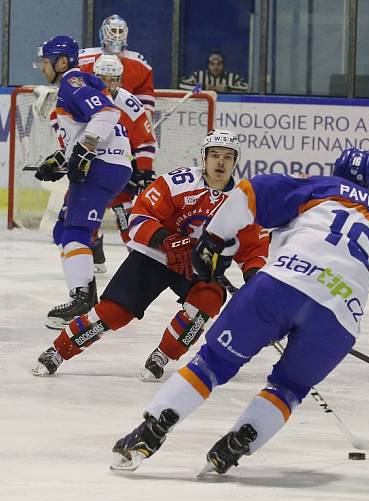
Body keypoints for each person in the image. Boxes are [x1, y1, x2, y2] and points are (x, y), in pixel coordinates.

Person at [109, 147, 369, 474]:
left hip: (281, 286)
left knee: (213, 362)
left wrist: (214, 239)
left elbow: (247, 193)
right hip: (340, 322)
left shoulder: (320, 186)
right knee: (289, 388)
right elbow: (363, 283)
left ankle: (150, 432)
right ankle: (235, 446)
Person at [32, 130, 269, 380]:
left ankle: (162, 355)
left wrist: (255, 281)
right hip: (154, 256)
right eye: (215, 155)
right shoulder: (179, 182)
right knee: (114, 312)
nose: (220, 162)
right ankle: (58, 350)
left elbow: (253, 248)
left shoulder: (243, 200)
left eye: (228, 157)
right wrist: (166, 240)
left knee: (208, 299)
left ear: (235, 161)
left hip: (198, 266)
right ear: (204, 158)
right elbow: (139, 217)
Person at [33, 35, 132, 329]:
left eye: (47, 62)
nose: (42, 68)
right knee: (64, 229)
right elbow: (80, 138)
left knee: (75, 230)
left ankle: (82, 300)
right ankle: (85, 293)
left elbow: (107, 113)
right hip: (105, 166)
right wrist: (59, 162)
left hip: (102, 167)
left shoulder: (71, 82)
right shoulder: (76, 85)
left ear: (62, 62)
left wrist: (85, 147)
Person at [85, 54, 159, 273]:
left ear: (120, 79)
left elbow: (146, 140)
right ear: (94, 77)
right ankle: (90, 248)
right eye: (103, 79)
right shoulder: (83, 100)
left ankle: (135, 257)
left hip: (118, 167)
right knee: (81, 209)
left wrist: (144, 170)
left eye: (113, 79)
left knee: (123, 212)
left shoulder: (130, 105)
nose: (108, 85)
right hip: (91, 165)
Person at [78, 15, 156, 116]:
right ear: (103, 33)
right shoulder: (82, 59)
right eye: (113, 31)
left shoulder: (139, 64)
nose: (117, 35)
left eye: (120, 32)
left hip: (123, 121)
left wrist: (146, 125)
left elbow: (144, 102)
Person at [179, 50, 248, 94]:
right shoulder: (199, 76)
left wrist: (228, 89)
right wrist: (202, 88)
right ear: (208, 65)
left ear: (223, 65)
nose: (215, 67)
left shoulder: (233, 78)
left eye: (219, 64)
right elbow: (181, 85)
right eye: (212, 64)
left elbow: (247, 88)